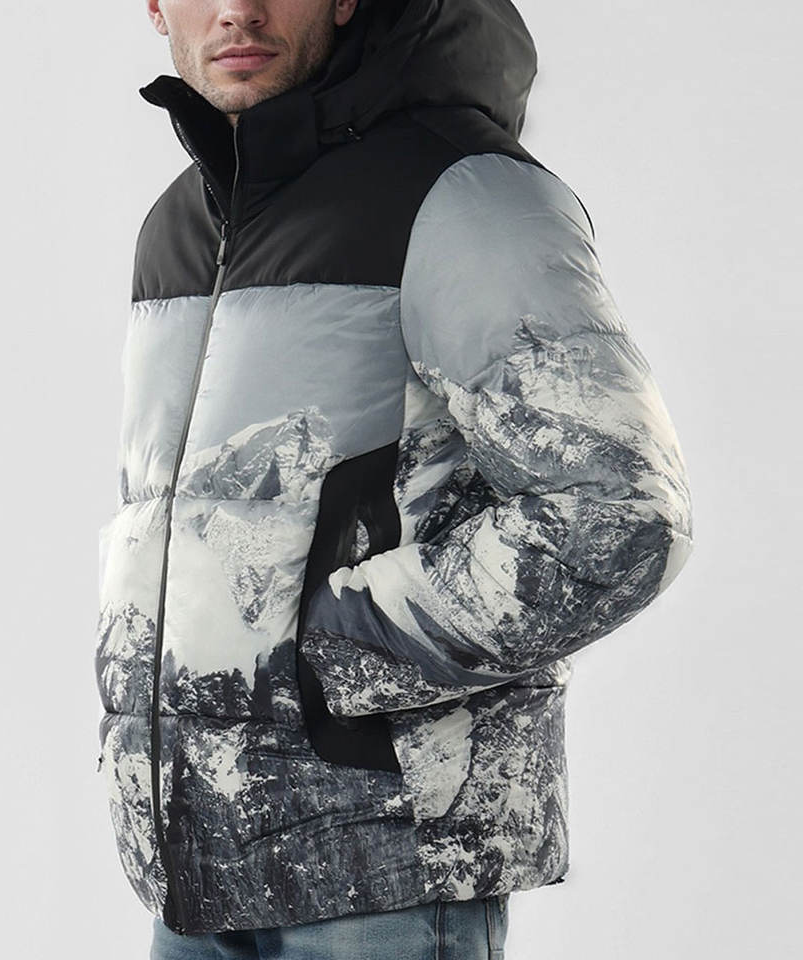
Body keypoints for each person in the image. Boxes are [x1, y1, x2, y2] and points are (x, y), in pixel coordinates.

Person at [93, 0, 695, 956]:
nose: (239, 9)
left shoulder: (460, 196)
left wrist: (330, 653)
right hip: (195, 869)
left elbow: (619, 513)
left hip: (383, 869)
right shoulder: (179, 224)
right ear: (155, 5)